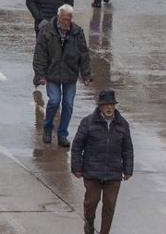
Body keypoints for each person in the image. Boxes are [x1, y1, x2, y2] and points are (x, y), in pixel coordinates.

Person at [71, 90, 134, 234]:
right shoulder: (87, 122)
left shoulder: (122, 124)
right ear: (100, 106)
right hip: (92, 171)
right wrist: (77, 167)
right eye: (106, 105)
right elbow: (77, 146)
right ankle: (89, 223)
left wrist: (128, 169)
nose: (109, 108)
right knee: (91, 202)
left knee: (109, 205)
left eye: (111, 105)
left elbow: (128, 148)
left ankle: (105, 232)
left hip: (113, 173)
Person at [33, 4, 93, 148]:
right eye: (64, 19)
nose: (66, 22)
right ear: (58, 16)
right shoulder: (46, 31)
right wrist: (40, 74)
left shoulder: (77, 32)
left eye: (69, 19)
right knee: (54, 100)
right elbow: (40, 54)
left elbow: (84, 55)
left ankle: (62, 134)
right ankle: (47, 128)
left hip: (70, 74)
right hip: (52, 73)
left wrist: (86, 75)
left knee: (68, 104)